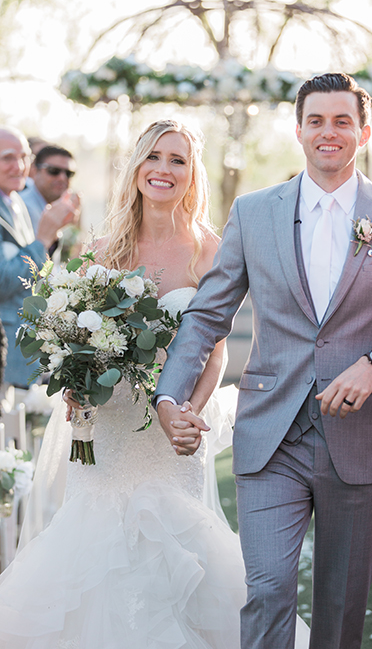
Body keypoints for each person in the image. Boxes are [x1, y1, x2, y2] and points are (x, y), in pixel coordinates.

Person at [153, 73, 372, 649]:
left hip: (359, 438)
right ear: (298, 130)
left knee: (340, 609)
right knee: (267, 589)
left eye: (341, 121)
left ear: (362, 132)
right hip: (271, 433)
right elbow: (208, 315)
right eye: (316, 121)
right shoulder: (254, 212)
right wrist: (169, 396)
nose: (327, 132)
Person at [1, 119, 294, 649]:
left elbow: (216, 345)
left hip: (172, 428)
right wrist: (75, 381)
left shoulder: (211, 250)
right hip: (108, 421)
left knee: (174, 543)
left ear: (192, 173)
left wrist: (190, 410)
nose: (163, 169)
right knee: (97, 537)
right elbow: (72, 330)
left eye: (178, 160)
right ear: (137, 166)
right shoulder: (103, 246)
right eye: (154, 157)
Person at [0, 127, 79, 389]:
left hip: (23, 346)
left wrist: (50, 239)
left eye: (24, 158)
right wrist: (43, 239)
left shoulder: (15, 203)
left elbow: (35, 275)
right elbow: (3, 283)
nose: (19, 167)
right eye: (8, 158)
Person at [21, 144, 77, 232]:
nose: (62, 178)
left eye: (68, 173)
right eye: (54, 171)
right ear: (35, 171)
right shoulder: (22, 207)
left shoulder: (65, 208)